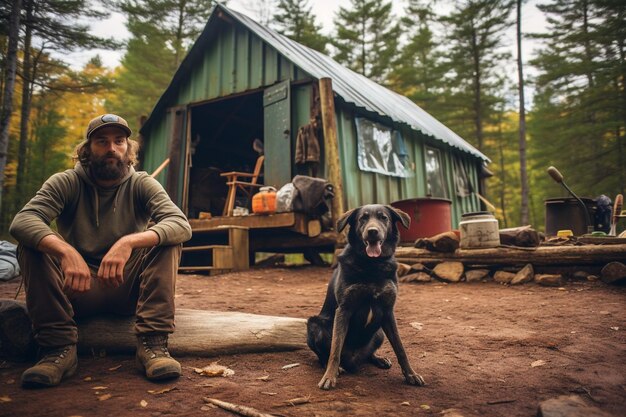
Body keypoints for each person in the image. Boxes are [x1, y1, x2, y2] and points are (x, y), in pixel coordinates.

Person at [9, 113, 192, 387]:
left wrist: (127, 242)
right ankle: (57, 350)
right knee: (31, 245)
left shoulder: (142, 183)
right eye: (102, 141)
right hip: (76, 289)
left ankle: (153, 344)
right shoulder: (66, 182)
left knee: (168, 239)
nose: (111, 148)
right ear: (86, 149)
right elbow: (23, 221)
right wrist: (65, 251)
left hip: (128, 288)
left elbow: (180, 224)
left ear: (128, 148)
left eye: (119, 141)